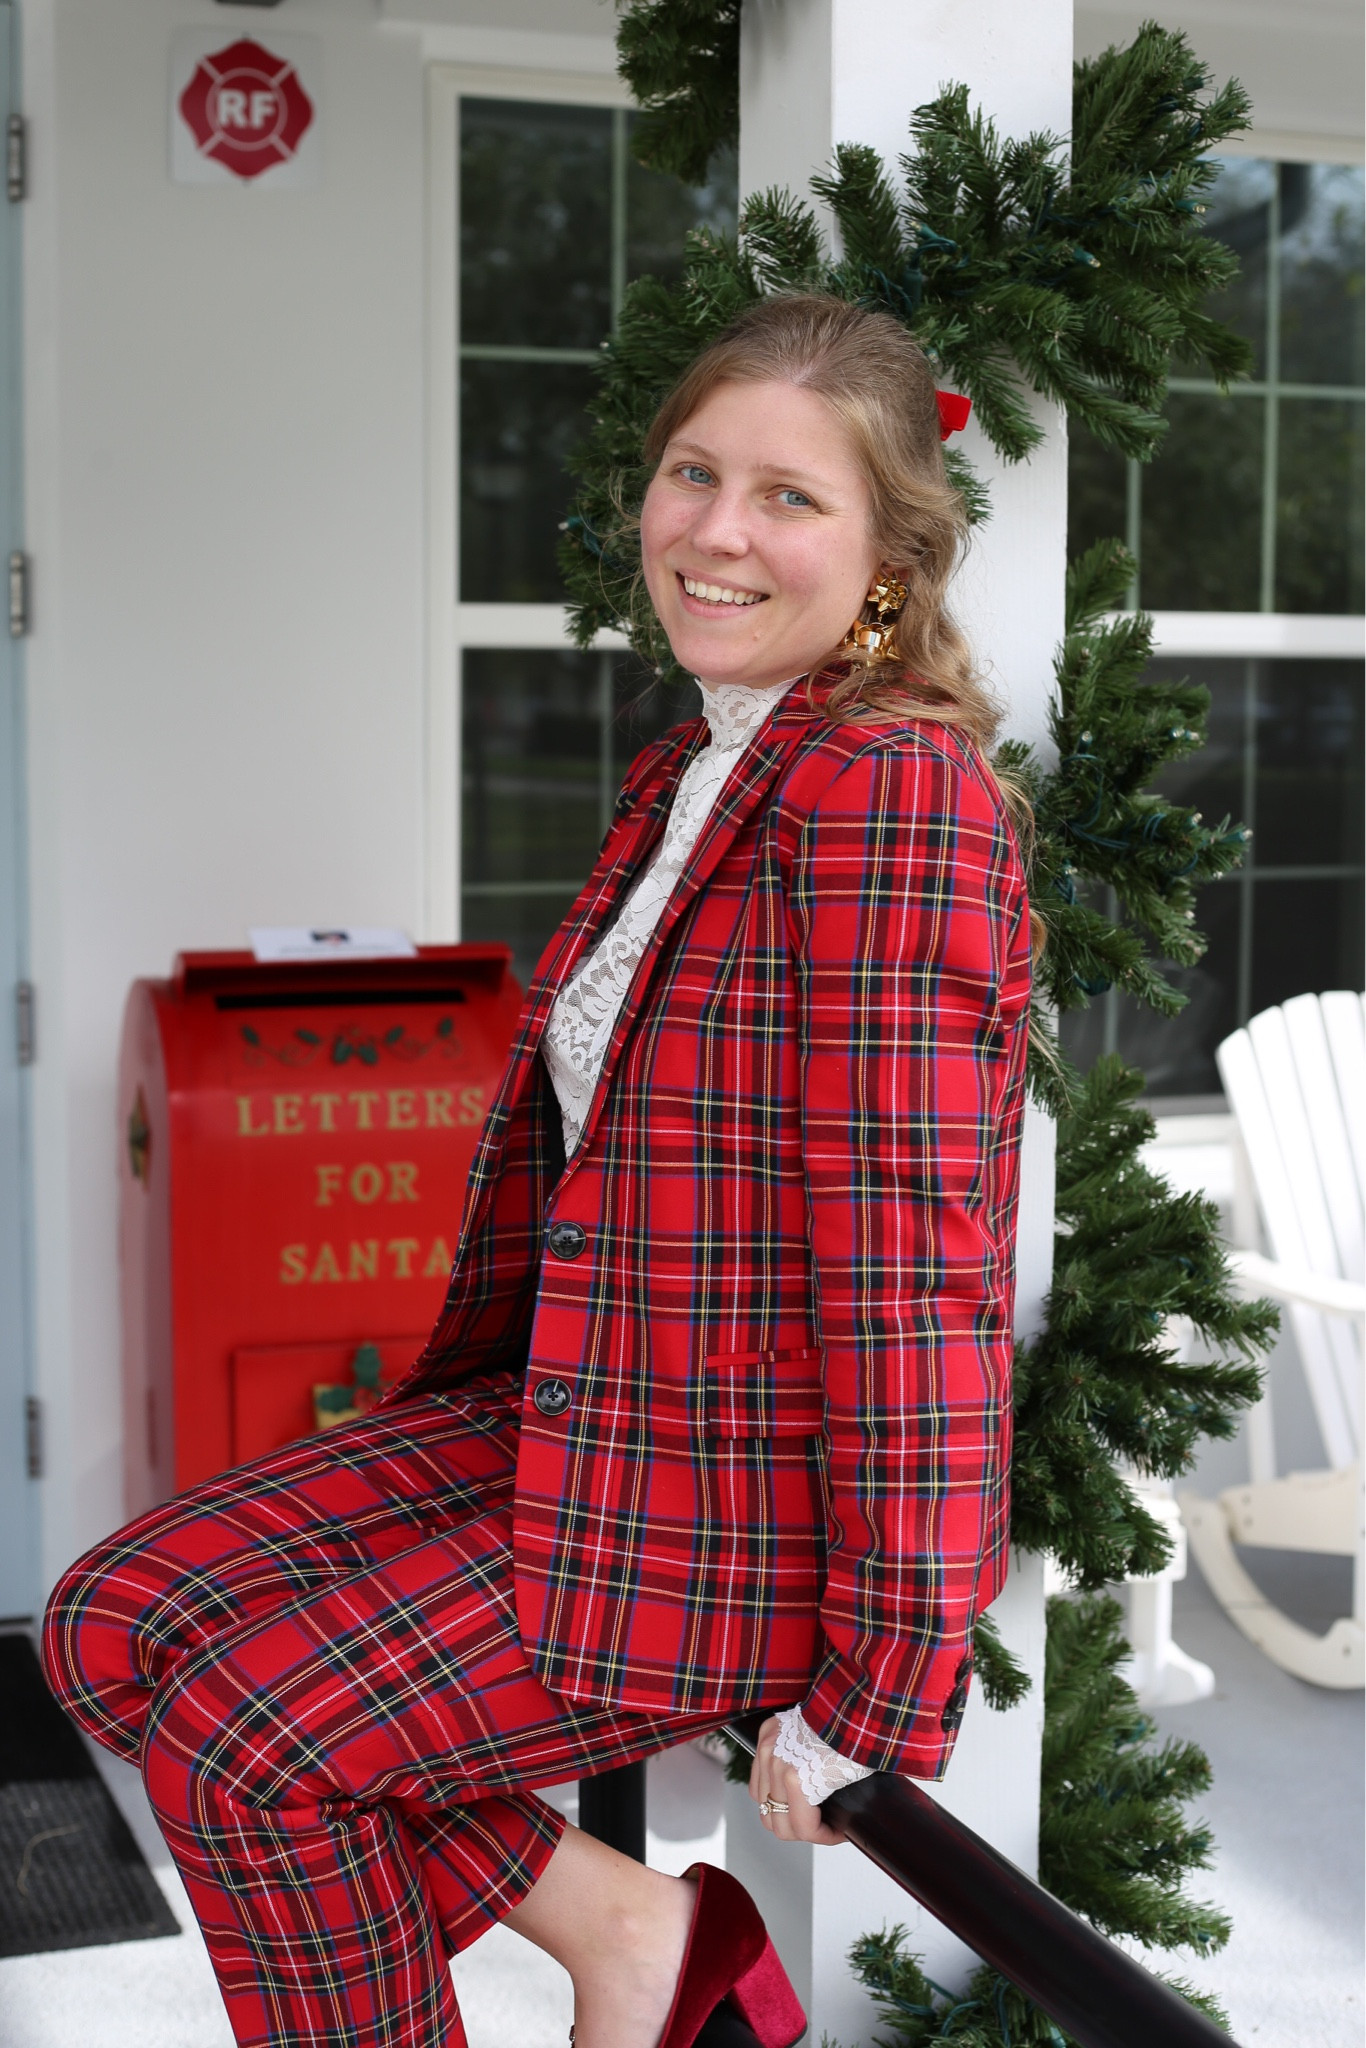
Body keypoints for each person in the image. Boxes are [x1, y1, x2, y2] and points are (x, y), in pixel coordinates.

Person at [42, 294, 1032, 2048]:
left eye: (789, 498)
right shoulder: (702, 768)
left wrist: (887, 1672)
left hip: (726, 1514)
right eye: (692, 473)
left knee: (251, 1749)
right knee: (108, 1624)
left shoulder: (887, 795)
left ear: (890, 554)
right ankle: (632, 1930)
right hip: (577, 1414)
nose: (716, 531)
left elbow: (912, 1267)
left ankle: (623, 1950)